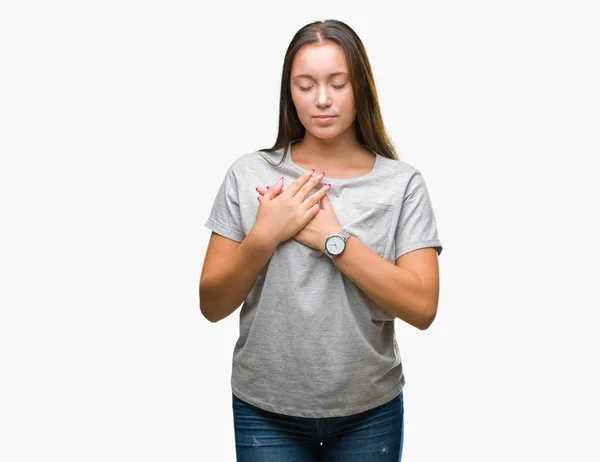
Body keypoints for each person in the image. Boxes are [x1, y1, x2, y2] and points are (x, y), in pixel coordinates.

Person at [199, 18, 443, 462]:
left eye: (338, 83)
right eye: (305, 85)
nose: (323, 99)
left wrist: (333, 239)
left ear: (360, 88)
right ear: (289, 92)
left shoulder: (402, 183)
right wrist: (264, 235)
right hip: (264, 409)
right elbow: (211, 304)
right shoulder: (249, 174)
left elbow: (423, 308)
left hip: (369, 409)